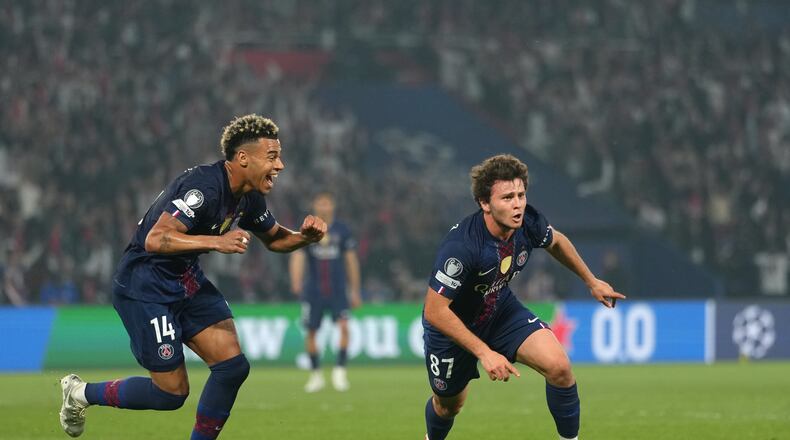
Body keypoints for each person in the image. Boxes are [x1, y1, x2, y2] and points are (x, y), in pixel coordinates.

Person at [58, 114, 327, 439]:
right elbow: (155, 239)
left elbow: (275, 239)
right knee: (171, 394)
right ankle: (80, 393)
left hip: (185, 279)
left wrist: (305, 238)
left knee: (232, 367)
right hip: (145, 287)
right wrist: (215, 242)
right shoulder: (203, 187)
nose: (280, 165)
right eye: (272, 157)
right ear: (243, 158)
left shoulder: (249, 196)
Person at [422, 154, 625, 440]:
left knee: (560, 368)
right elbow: (435, 310)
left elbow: (557, 242)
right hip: (453, 327)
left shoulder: (527, 221)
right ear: (485, 204)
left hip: (498, 310)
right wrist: (484, 352)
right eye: (507, 198)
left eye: (521, 194)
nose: (517, 204)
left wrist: (591, 281)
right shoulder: (462, 247)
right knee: (448, 407)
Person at [289, 192, 362, 392]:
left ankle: (340, 371)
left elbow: (351, 260)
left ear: (333, 206)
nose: (323, 207)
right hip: (314, 290)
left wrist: (355, 290)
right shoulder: (308, 229)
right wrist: (296, 280)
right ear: (314, 206)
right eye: (320, 203)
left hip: (338, 290)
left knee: (345, 327)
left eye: (327, 203)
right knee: (311, 331)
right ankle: (316, 375)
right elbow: (298, 255)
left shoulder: (342, 230)